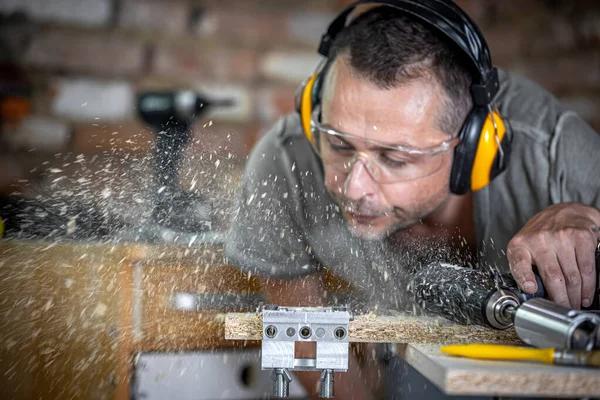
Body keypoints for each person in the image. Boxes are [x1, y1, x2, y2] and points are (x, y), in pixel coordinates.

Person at [226, 1, 600, 398]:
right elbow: (301, 332)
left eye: (395, 158)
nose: (354, 189)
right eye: (338, 144)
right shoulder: (286, 161)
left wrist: (592, 222)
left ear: (473, 149)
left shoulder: (556, 155)